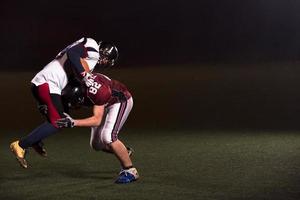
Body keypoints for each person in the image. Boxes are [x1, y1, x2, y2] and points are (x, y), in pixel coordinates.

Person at [10, 37, 119, 169]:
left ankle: (36, 140)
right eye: (107, 59)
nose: (105, 62)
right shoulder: (93, 47)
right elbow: (72, 52)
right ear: (105, 52)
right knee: (58, 122)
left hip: (50, 83)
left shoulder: (90, 55)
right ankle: (21, 145)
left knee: (64, 116)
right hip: (48, 82)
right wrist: (85, 75)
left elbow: (73, 70)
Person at [56, 73, 139, 184]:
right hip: (103, 102)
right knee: (96, 145)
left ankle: (130, 170)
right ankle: (124, 151)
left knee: (108, 136)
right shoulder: (72, 85)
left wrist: (73, 122)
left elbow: (96, 120)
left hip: (119, 100)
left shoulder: (97, 92)